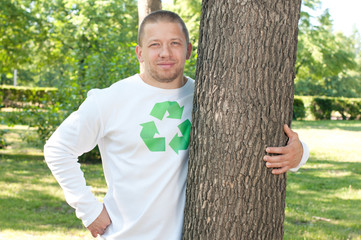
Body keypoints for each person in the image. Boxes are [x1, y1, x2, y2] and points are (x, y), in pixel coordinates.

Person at [44, 10, 309, 240]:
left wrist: (300, 154)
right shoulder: (110, 99)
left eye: (175, 43)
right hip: (125, 234)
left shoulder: (209, 98)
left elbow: (261, 138)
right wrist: (88, 209)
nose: (165, 53)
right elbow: (57, 149)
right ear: (139, 52)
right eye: (154, 44)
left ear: (189, 50)